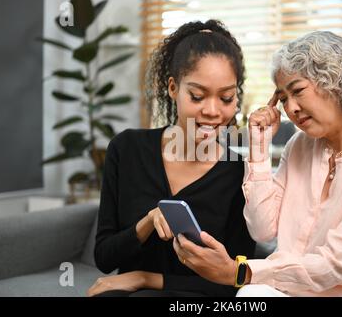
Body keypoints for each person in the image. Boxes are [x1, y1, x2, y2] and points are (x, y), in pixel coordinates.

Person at [173, 31, 342, 297]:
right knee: (251, 295)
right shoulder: (300, 145)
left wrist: (239, 271)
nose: (291, 108)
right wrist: (258, 147)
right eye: (282, 98)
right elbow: (262, 229)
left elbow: (333, 265)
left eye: (298, 91)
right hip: (293, 291)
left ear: (336, 83)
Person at [87, 19, 255, 297]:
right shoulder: (126, 149)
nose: (213, 111)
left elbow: (236, 281)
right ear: (173, 88)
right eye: (197, 96)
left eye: (226, 98)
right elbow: (105, 258)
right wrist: (147, 222)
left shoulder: (240, 174)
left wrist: (144, 278)